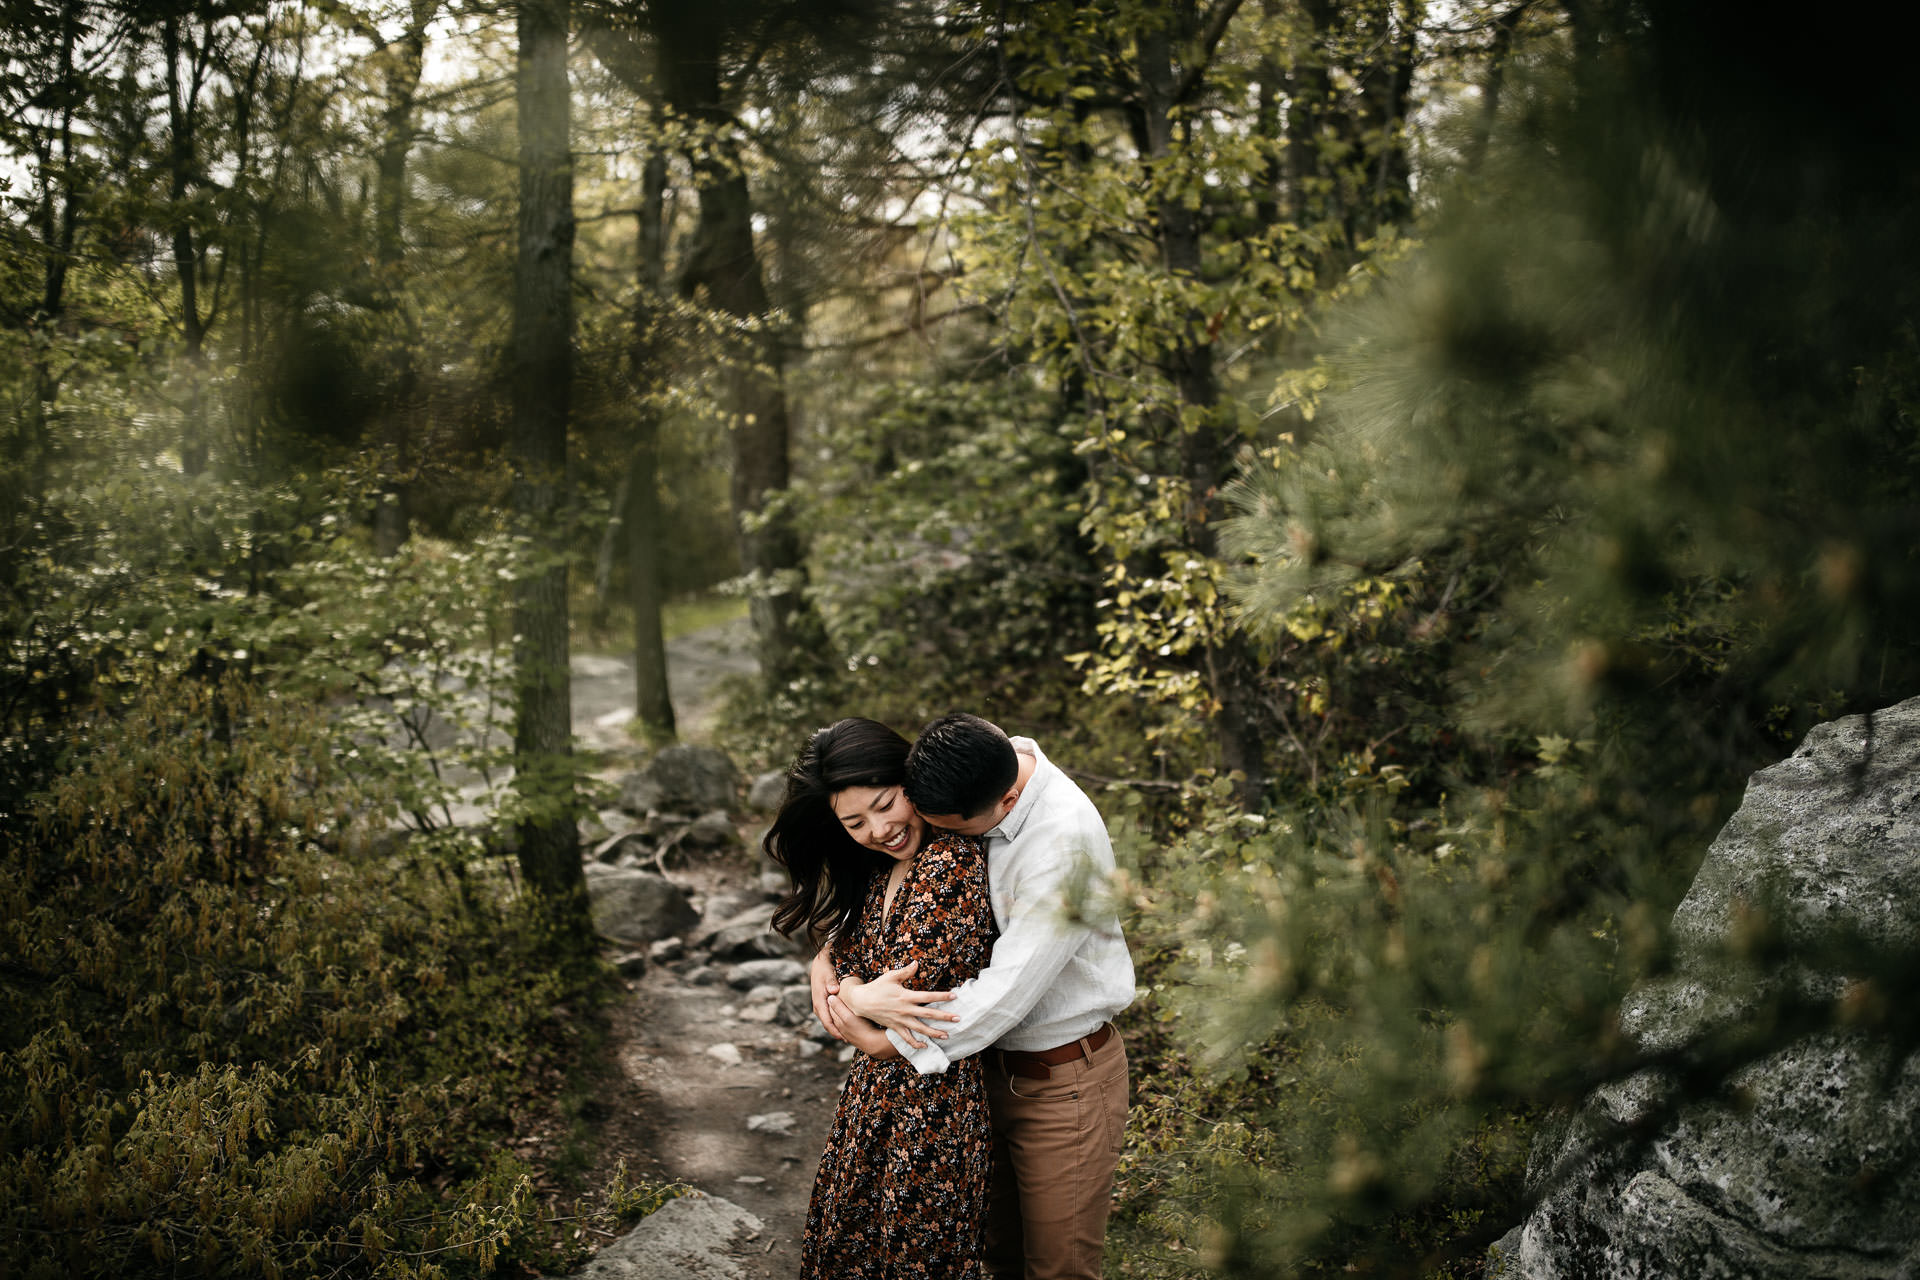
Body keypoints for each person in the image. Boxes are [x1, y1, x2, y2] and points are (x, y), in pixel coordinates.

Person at [811, 714, 1135, 1280]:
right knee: (997, 1257)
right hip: (978, 1080)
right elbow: (890, 891)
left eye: (954, 833)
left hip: (1061, 1084)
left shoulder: (1062, 845)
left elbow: (1004, 995)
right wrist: (832, 958)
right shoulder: (973, 764)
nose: (942, 845)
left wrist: (885, 1038)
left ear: (1005, 803)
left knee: (1058, 1267)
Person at [764, 717, 998, 1280]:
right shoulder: (882, 871)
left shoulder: (949, 864)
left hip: (931, 1110)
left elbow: (906, 1016)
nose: (879, 829)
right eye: (854, 823)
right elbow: (856, 982)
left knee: (909, 1258)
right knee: (849, 1250)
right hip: (870, 1099)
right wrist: (843, 977)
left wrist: (853, 997)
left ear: (910, 780)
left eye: (886, 804)